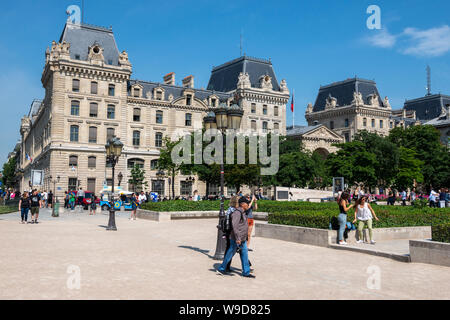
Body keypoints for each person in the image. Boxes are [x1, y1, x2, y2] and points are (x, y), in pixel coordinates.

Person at [217, 197, 254, 278]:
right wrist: (238, 238)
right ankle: (222, 268)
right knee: (230, 253)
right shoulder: (237, 213)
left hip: (242, 238)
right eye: (246, 203)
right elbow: (235, 226)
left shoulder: (243, 212)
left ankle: (246, 272)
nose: (248, 204)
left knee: (244, 254)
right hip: (236, 238)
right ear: (242, 204)